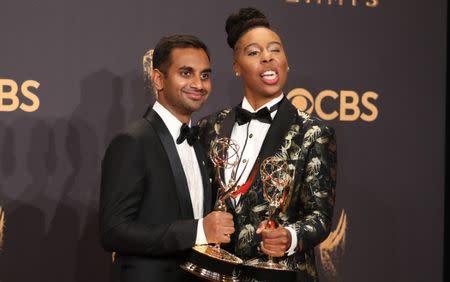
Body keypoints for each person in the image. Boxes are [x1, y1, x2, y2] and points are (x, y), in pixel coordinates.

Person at [198, 8, 337, 281]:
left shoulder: (314, 132)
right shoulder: (210, 127)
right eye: (253, 52)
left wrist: (290, 237)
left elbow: (320, 216)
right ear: (236, 67)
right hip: (215, 275)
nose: (267, 57)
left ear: (286, 62)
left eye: (275, 50)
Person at [99, 34, 235, 282]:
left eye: (205, 75)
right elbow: (114, 231)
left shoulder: (201, 142)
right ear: (159, 79)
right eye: (186, 73)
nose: (198, 84)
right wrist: (198, 230)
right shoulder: (133, 141)